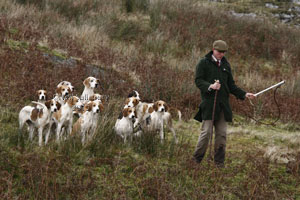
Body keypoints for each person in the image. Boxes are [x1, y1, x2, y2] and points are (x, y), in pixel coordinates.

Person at [193, 40, 255, 167]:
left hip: (223, 106)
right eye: (219, 52)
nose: (221, 54)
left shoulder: (226, 65)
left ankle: (219, 163)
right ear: (213, 49)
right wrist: (210, 86)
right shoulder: (203, 63)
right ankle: (196, 161)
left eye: (223, 52)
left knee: (221, 135)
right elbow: (198, 81)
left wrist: (244, 94)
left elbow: (231, 86)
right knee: (206, 134)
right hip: (209, 105)